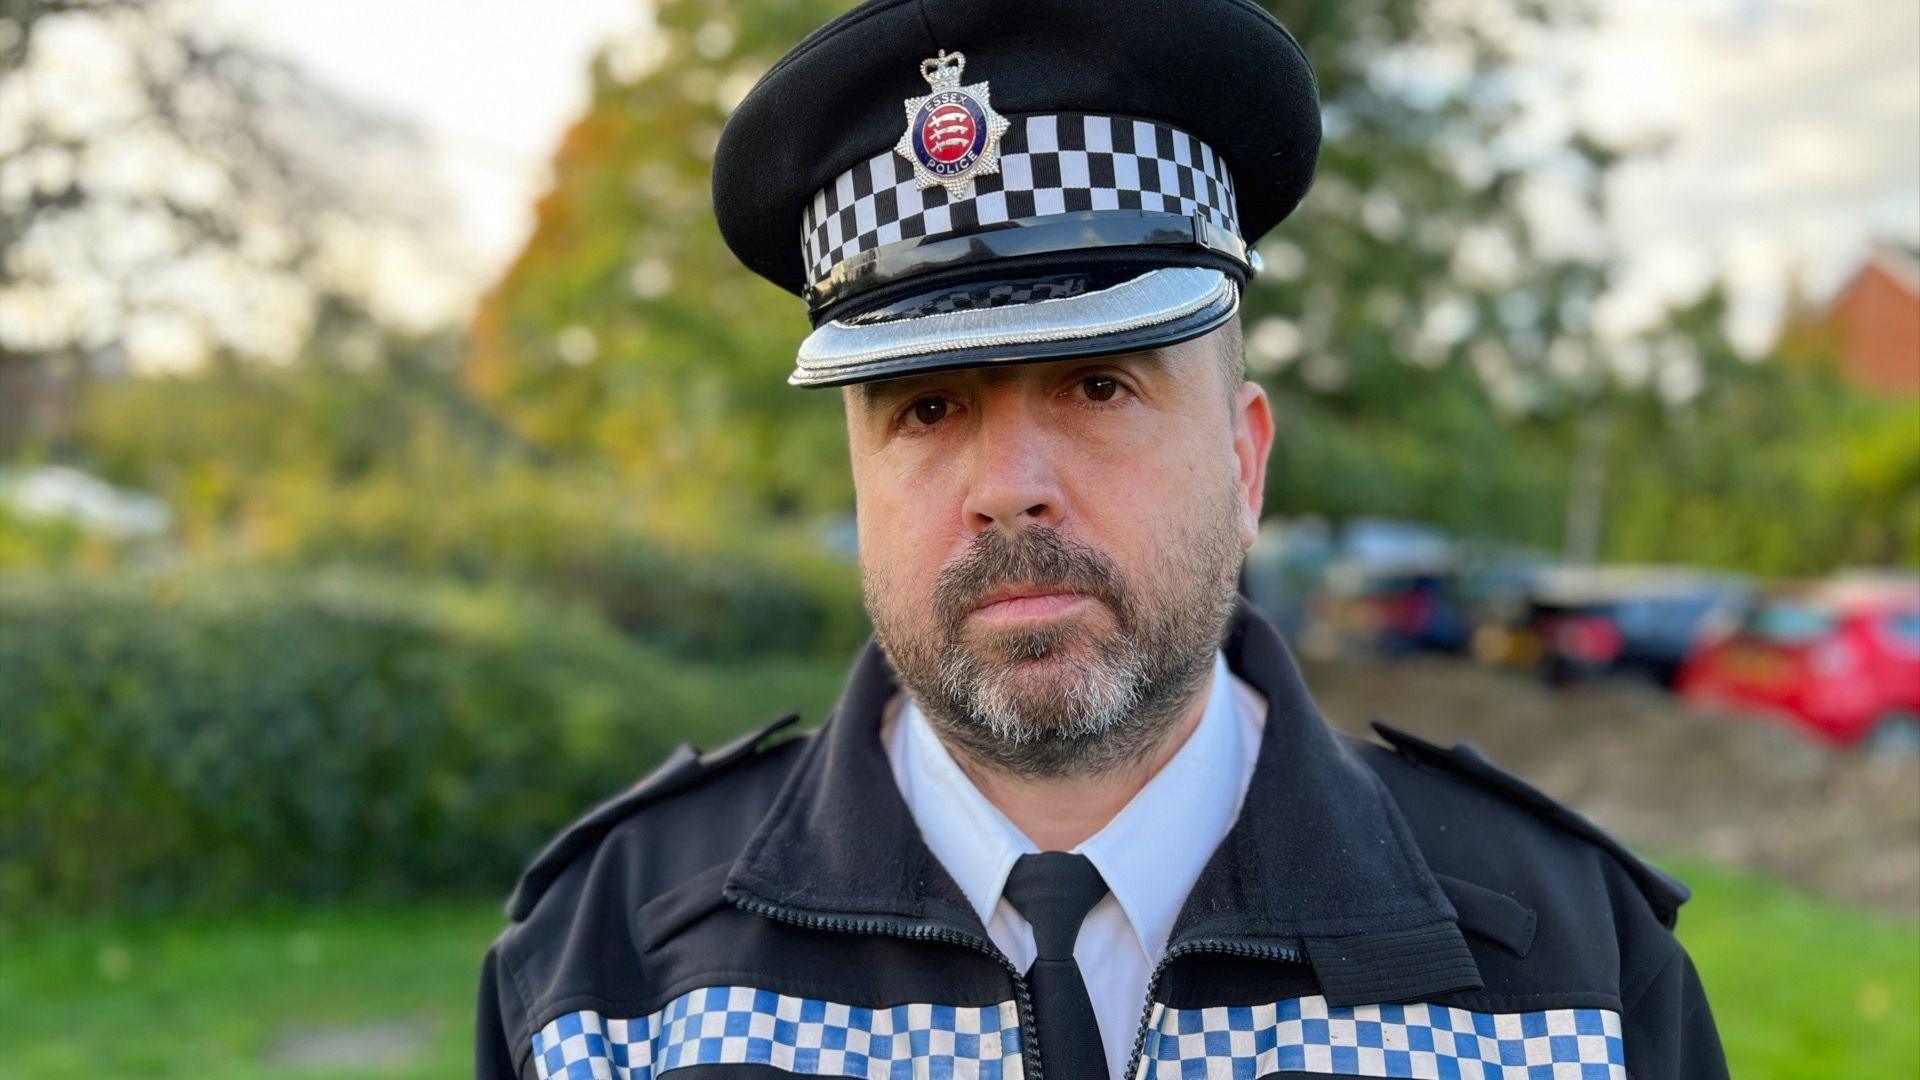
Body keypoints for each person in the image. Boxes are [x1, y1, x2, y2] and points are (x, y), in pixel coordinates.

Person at [476, 1, 1729, 1077]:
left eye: (1097, 386)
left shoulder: (1571, 979)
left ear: (1244, 462)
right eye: (926, 408)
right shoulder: (607, 982)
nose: (1006, 488)